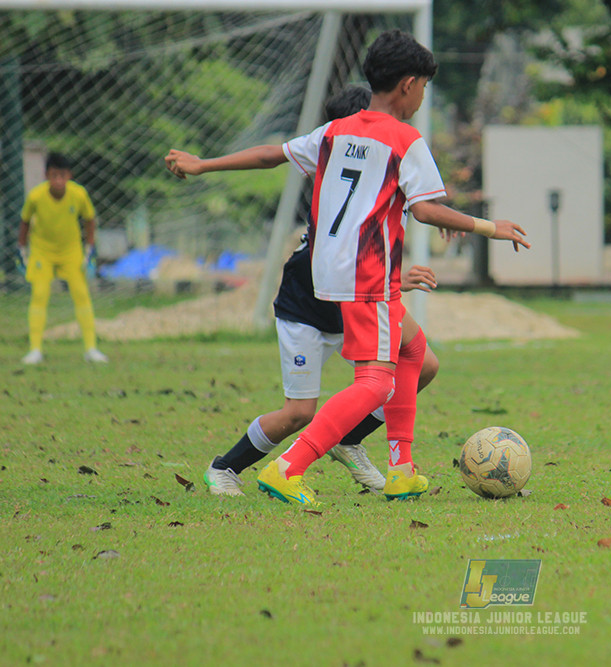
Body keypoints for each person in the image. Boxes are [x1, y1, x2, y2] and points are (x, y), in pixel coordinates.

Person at [166, 29, 529, 504]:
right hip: (367, 273)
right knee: (376, 382)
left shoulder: (338, 131)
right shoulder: (406, 139)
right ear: (408, 84)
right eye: (423, 87)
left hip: (330, 267)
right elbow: (425, 209)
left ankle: (402, 470)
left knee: (414, 351)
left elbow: (271, 155)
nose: (423, 97)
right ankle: (288, 467)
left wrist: (203, 164)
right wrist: (490, 226)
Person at [201, 86, 442, 498]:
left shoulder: (383, 171)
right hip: (311, 308)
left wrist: (393, 278)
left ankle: (352, 441)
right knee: (298, 413)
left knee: (421, 360)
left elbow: (374, 249)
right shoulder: (341, 176)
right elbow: (339, 268)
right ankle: (226, 467)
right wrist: (395, 282)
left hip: (360, 301)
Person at [17, 153, 108, 365]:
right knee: (39, 295)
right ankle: (35, 349)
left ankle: (91, 349)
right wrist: (22, 249)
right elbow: (25, 221)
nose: (58, 180)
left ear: (69, 176)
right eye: (54, 175)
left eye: (62, 175)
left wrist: (90, 248)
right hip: (42, 251)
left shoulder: (79, 194)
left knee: (82, 294)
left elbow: (89, 219)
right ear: (46, 175)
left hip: (71, 251)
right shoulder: (36, 196)